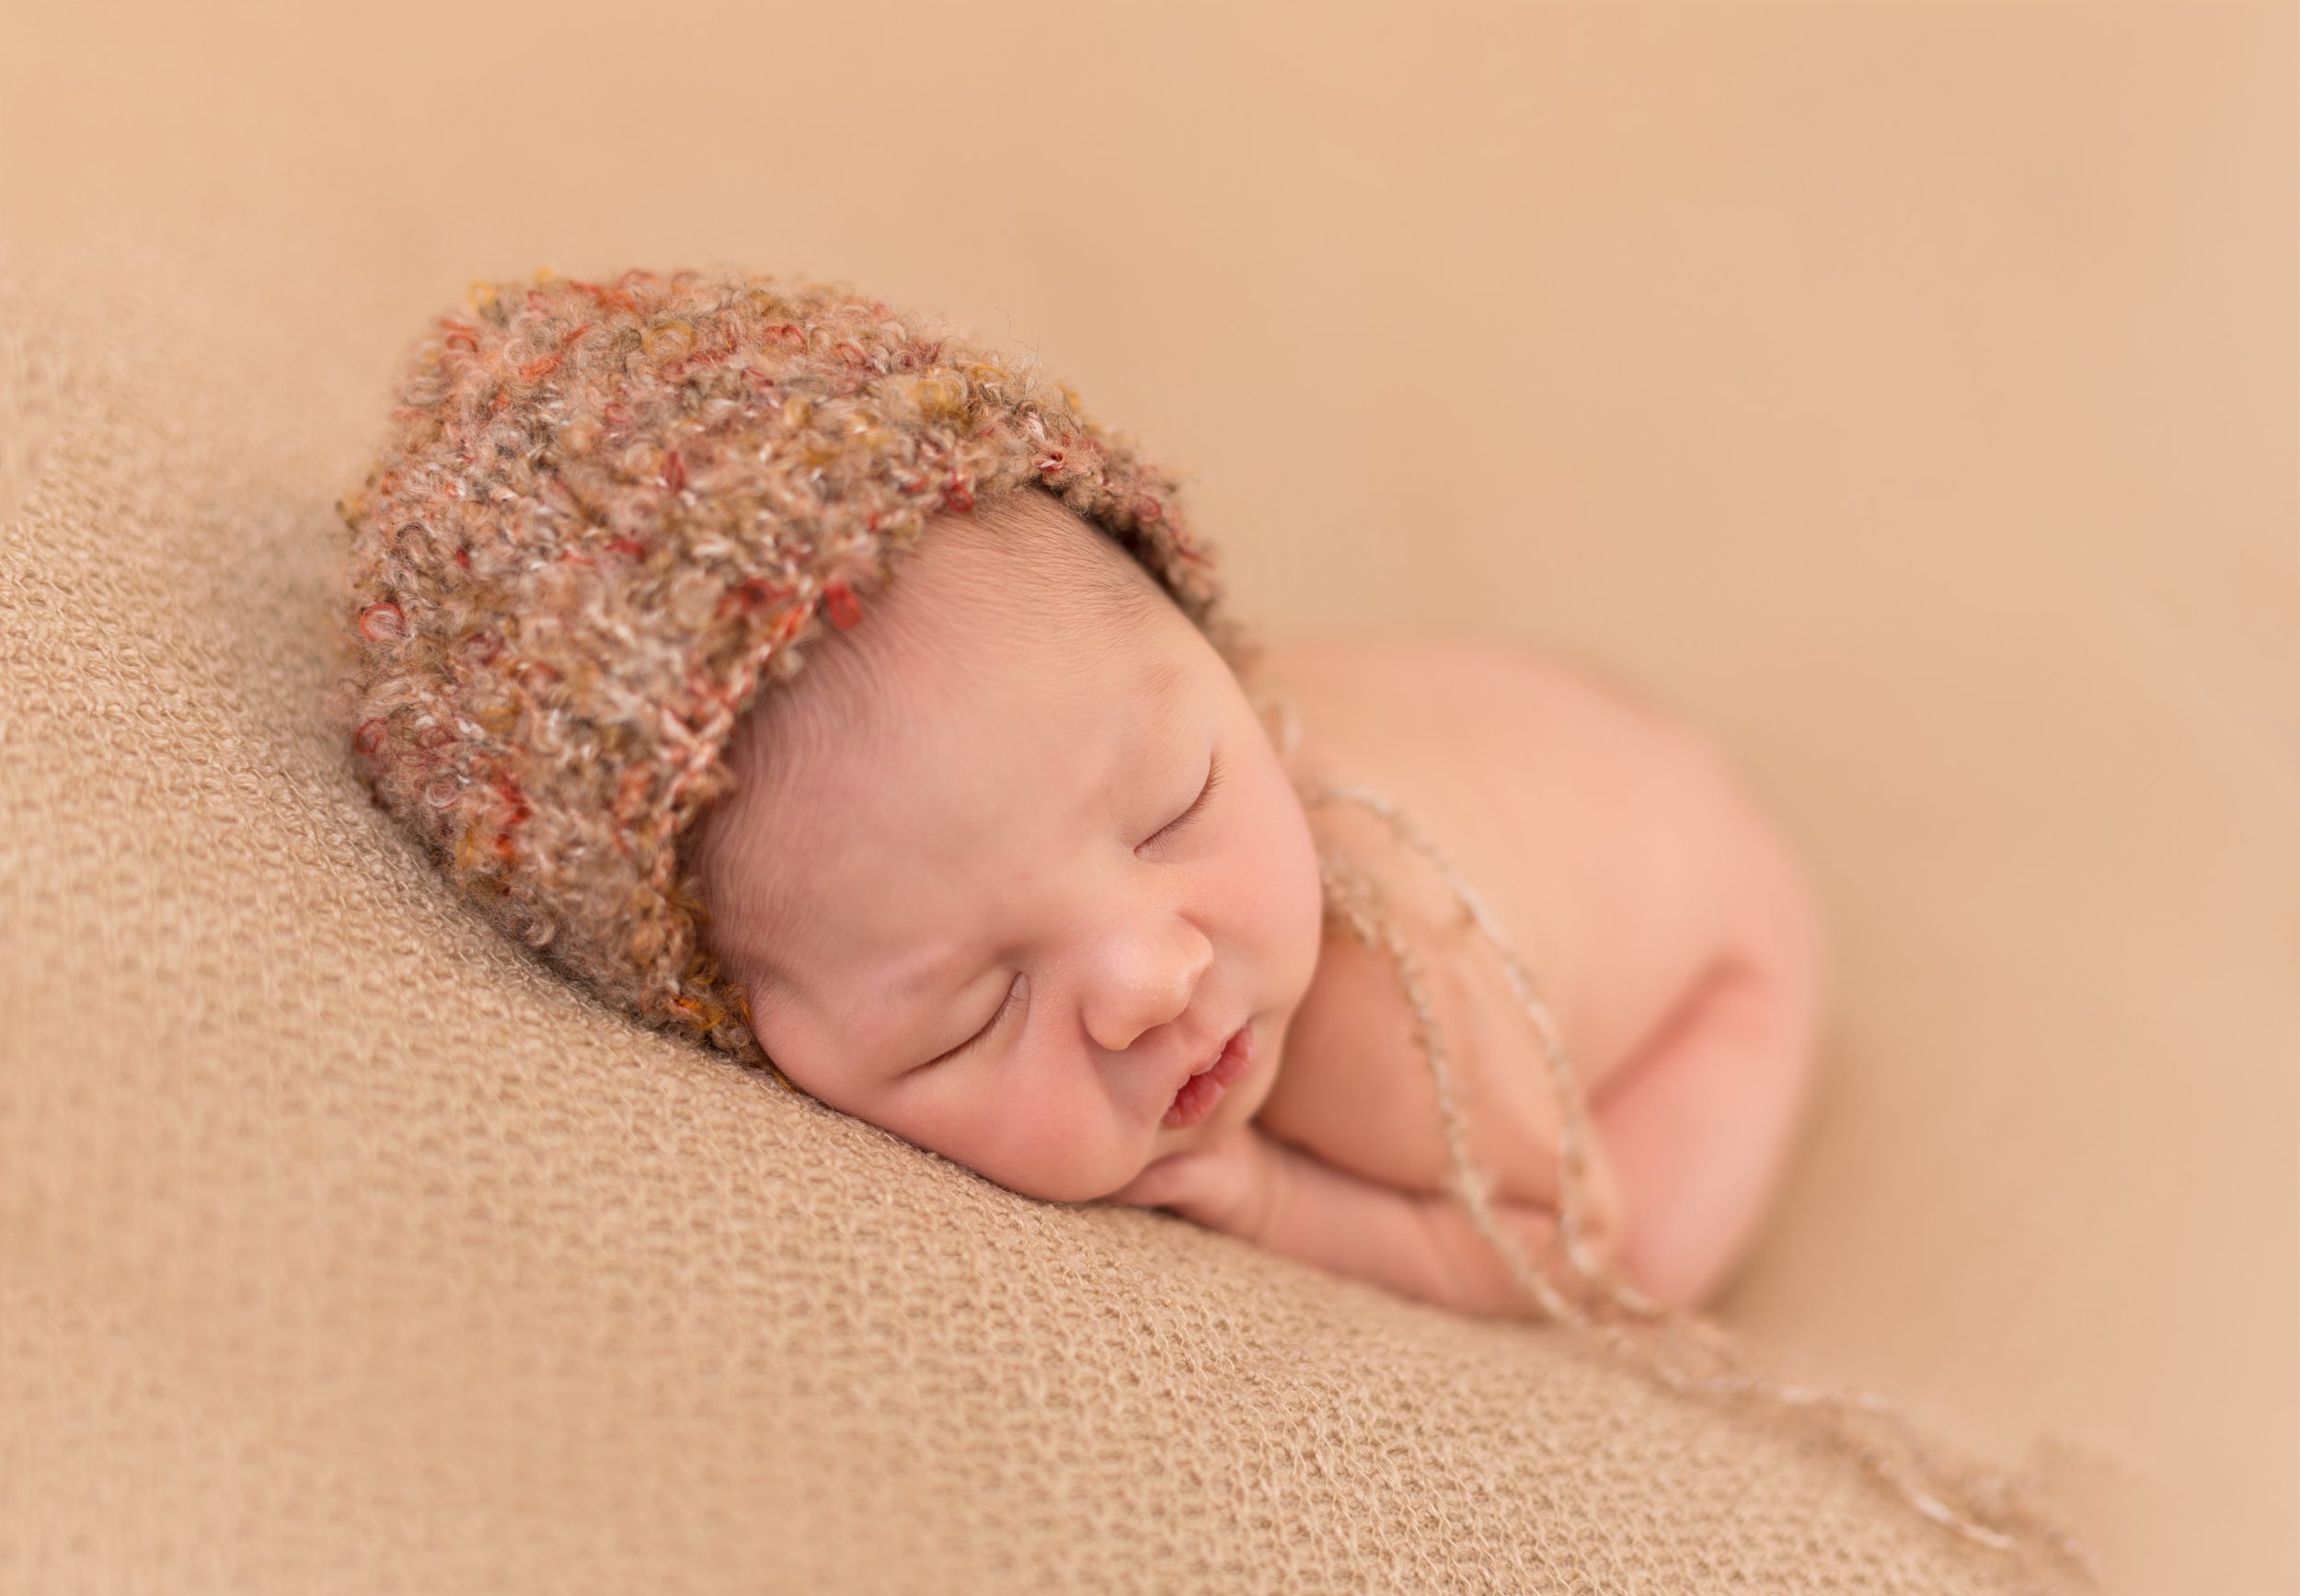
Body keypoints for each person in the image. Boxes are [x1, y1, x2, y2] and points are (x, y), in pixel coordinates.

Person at [337, 268, 2069, 1567]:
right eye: (972, 1007)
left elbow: (1586, 1232)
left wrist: (1278, 1194)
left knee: (1668, 1247)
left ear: (1206, 636)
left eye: (1176, 810)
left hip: (1720, 939)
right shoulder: (1077, 765)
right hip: (1523, 723)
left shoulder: (1394, 1008)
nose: (1148, 980)